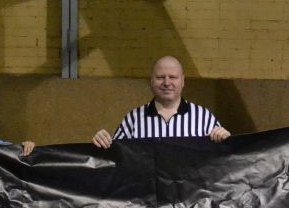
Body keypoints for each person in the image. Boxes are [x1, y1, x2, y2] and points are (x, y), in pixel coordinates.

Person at [92, 56, 230, 148]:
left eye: (173, 77)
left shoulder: (203, 118)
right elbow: (116, 158)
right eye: (160, 77)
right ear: (152, 81)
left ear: (183, 81)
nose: (167, 83)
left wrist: (227, 140)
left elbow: (222, 160)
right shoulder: (133, 119)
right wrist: (101, 143)